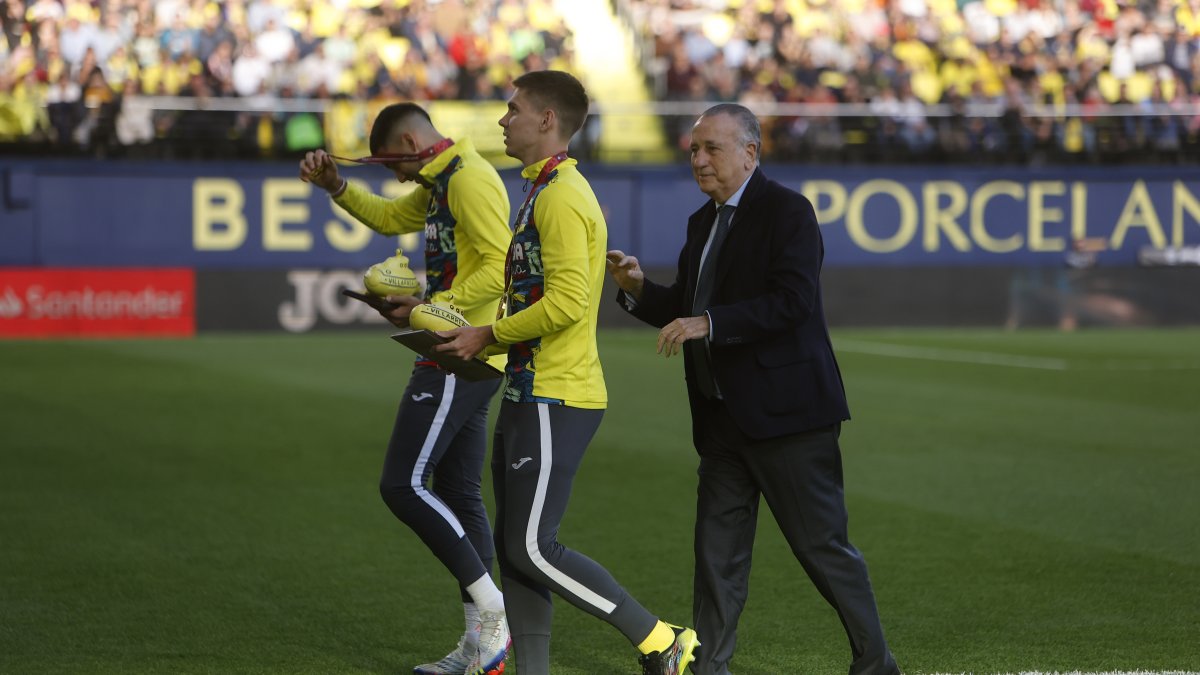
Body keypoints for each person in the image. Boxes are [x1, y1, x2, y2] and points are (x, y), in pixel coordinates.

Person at [605, 103, 900, 675]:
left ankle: (876, 665)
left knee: (822, 549)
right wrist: (638, 288)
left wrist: (709, 322)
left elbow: (792, 302)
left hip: (789, 418)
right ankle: (708, 667)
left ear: (750, 153)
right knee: (716, 555)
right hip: (721, 422)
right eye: (694, 149)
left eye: (712, 148)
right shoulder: (703, 221)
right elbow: (687, 309)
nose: (699, 159)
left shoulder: (788, 211)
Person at [431, 70, 698, 675]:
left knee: (531, 547)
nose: (503, 120)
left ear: (547, 120)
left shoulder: (561, 195)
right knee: (515, 549)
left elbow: (570, 303)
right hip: (529, 389)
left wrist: (487, 334)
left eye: (513, 109)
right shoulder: (541, 189)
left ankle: (661, 640)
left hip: (558, 394)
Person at [299, 102, 513, 675]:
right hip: (463, 347)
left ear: (412, 143)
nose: (394, 176)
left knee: (402, 485)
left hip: (460, 348)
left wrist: (428, 306)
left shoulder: (466, 179)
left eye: (392, 163)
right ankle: (482, 643)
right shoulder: (444, 179)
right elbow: (393, 219)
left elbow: (501, 267)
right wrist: (337, 185)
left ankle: (493, 610)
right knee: (459, 493)